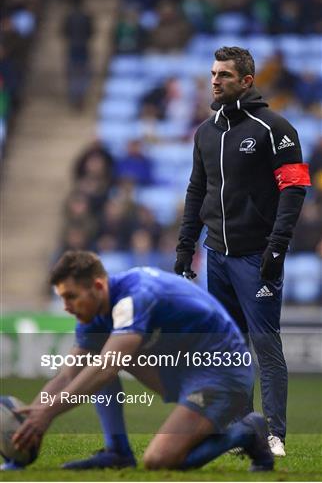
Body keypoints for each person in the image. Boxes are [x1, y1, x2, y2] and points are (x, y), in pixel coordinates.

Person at [10, 251, 273, 472]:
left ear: (98, 286)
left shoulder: (137, 295)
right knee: (99, 357)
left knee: (159, 460)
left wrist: (48, 413)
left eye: (71, 296)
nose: (66, 306)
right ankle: (118, 452)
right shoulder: (94, 315)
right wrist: (33, 417)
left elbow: (107, 367)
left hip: (223, 371)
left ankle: (247, 431)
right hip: (183, 368)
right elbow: (68, 376)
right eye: (62, 298)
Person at [174, 46, 311, 457]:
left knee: (266, 347)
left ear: (246, 82)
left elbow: (295, 189)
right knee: (229, 349)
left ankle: (275, 435)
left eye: (225, 76)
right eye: (213, 74)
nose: (215, 81)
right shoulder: (205, 132)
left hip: (257, 257)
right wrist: (186, 247)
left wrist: (276, 247)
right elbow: (197, 191)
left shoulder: (276, 128)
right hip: (217, 255)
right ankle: (241, 432)